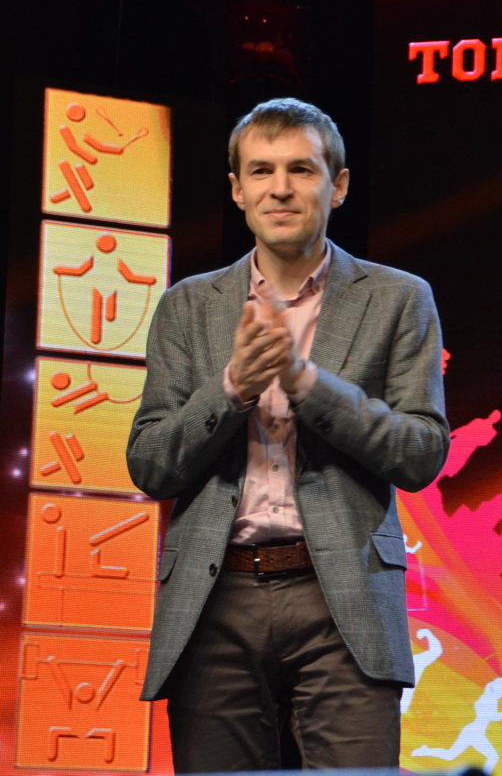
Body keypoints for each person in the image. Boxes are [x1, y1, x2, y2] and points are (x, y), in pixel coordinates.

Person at [127, 98, 449, 771]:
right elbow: (150, 464)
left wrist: (307, 384)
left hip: (343, 594)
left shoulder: (398, 298)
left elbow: (421, 452)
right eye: (261, 170)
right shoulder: (188, 305)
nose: (280, 188)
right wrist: (231, 388)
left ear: (339, 184)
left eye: (301, 169)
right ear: (237, 190)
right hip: (216, 596)